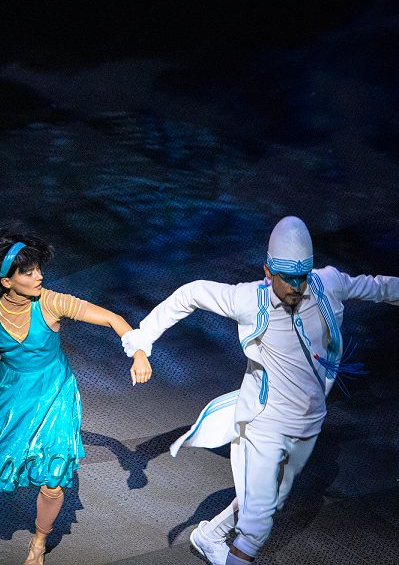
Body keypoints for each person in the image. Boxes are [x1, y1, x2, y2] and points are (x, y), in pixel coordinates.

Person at [121, 216, 399, 565]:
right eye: (288, 278)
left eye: (302, 277)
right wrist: (142, 341)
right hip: (265, 423)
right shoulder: (249, 299)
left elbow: (378, 287)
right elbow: (190, 294)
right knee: (257, 526)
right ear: (268, 271)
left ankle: (209, 535)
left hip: (309, 421)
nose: (297, 286)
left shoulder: (329, 284)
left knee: (271, 499)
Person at [0, 225, 153, 565]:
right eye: (29, 272)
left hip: (54, 393)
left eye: (38, 269)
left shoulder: (51, 302)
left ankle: (38, 546)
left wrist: (138, 353)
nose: (39, 276)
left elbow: (113, 318)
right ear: (7, 281)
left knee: (53, 479)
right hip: (10, 391)